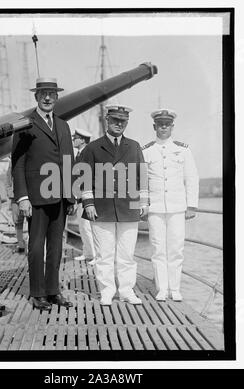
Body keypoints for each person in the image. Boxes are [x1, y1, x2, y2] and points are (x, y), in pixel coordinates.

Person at [12, 77, 75, 311]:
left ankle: (53, 291)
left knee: (56, 247)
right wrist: (22, 197)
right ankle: (37, 294)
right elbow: (17, 163)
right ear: (36, 97)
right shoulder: (25, 125)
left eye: (51, 93)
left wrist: (71, 197)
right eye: (43, 94)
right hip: (36, 199)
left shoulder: (63, 125)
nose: (47, 97)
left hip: (60, 197)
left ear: (57, 97)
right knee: (36, 246)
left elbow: (69, 162)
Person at [81, 105, 148, 306]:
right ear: (107, 121)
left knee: (127, 254)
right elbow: (84, 178)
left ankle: (126, 290)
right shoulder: (92, 148)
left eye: (123, 121)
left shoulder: (134, 146)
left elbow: (141, 176)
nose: (119, 124)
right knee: (104, 255)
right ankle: (107, 291)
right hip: (101, 209)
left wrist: (143, 203)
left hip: (128, 208)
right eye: (115, 121)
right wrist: (88, 203)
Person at [141, 109, 199, 302]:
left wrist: (192, 205)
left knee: (176, 249)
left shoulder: (183, 150)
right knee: (158, 249)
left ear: (172, 126)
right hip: (155, 208)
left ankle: (175, 288)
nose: (163, 127)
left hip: (177, 208)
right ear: (154, 127)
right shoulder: (146, 151)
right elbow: (140, 181)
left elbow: (191, 178)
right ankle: (161, 289)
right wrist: (143, 206)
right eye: (160, 124)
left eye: (167, 123)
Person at [72, 128, 96, 264]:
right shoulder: (79, 155)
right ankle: (87, 253)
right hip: (80, 196)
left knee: (88, 227)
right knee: (83, 227)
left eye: (75, 138)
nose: (73, 140)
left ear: (82, 140)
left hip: (87, 197)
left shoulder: (87, 154)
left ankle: (95, 255)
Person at [5, 158, 26, 253]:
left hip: (29, 195)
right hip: (15, 196)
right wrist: (10, 193)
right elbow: (8, 179)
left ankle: (29, 243)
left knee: (32, 220)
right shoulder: (12, 162)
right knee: (17, 220)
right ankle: (20, 243)